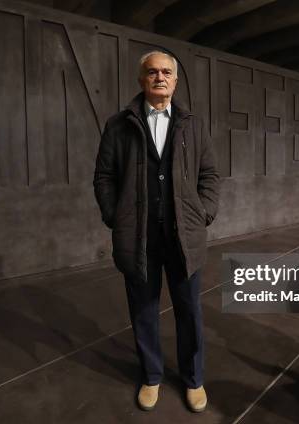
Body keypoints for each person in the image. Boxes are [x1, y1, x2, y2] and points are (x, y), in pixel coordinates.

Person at [93, 51, 220, 412]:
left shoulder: (193, 125)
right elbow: (104, 177)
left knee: (189, 311)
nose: (159, 77)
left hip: (184, 237)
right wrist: (115, 216)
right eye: (152, 72)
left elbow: (210, 175)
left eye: (166, 72)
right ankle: (151, 376)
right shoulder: (118, 125)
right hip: (139, 238)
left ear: (175, 82)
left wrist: (204, 213)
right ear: (141, 79)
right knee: (143, 310)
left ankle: (194, 379)